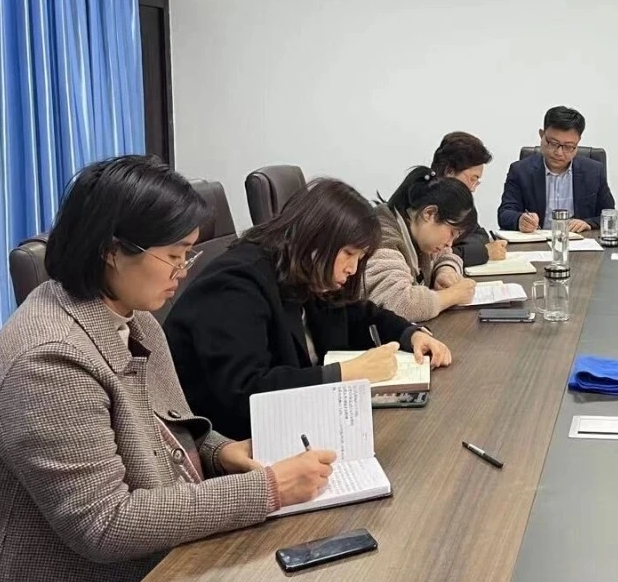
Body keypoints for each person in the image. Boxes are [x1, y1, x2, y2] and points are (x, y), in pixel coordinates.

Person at [0, 156, 335, 582]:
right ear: (111, 251)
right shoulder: (48, 359)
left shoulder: (132, 318)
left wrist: (221, 452)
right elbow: (105, 525)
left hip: (157, 571)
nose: (183, 272)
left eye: (188, 254)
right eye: (174, 256)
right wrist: (269, 489)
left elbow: (168, 427)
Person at [164, 178, 451, 441]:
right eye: (349, 253)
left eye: (359, 257)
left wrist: (409, 333)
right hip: (228, 445)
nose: (352, 268)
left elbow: (356, 313)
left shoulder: (304, 271)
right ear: (316, 238)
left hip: (297, 427)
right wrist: (344, 373)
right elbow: (247, 391)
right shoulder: (236, 285)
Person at [363, 167, 478, 322]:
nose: (449, 244)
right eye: (452, 232)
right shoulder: (381, 236)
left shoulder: (419, 232)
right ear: (429, 214)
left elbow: (445, 255)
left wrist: (445, 271)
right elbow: (398, 303)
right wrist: (453, 295)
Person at [497, 105, 616, 233]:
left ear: (578, 142)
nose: (559, 153)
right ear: (542, 135)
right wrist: (519, 220)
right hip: (536, 241)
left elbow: (609, 215)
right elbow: (505, 213)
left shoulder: (593, 171)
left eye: (568, 146)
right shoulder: (520, 171)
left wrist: (588, 223)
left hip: (578, 240)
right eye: (553, 143)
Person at [432, 131, 507, 268]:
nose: (473, 189)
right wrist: (484, 252)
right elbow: (434, 256)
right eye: (472, 179)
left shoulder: (460, 203)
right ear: (449, 172)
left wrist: (478, 249)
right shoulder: (427, 204)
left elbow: (480, 236)